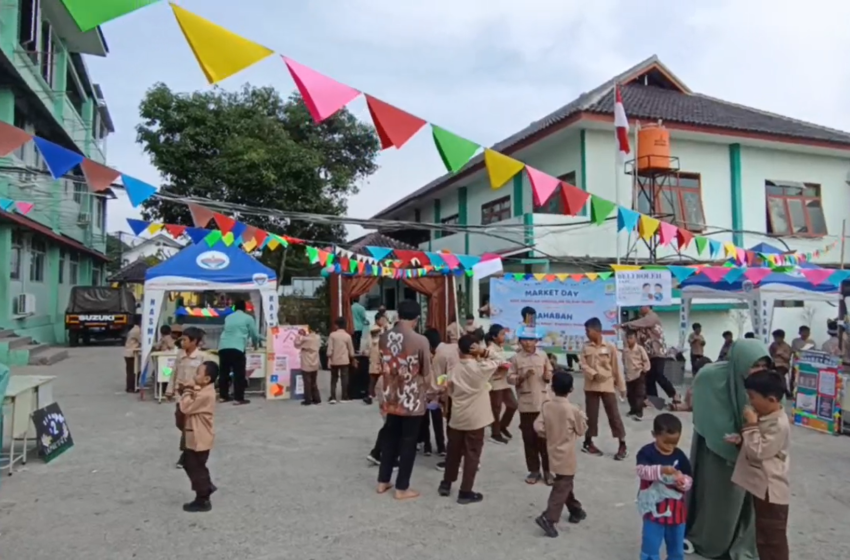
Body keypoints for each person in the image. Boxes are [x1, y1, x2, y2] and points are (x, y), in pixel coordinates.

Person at [686, 339, 770, 559]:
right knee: (719, 498)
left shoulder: (760, 383)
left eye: (763, 365)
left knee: (745, 499)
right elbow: (708, 416)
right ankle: (711, 541)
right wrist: (731, 441)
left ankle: (739, 542)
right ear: (740, 361)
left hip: (748, 447)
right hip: (716, 450)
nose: (759, 371)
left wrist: (750, 440)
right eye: (754, 365)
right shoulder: (710, 377)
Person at [728, 370, 791, 560]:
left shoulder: (778, 424)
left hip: (772, 490)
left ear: (771, 399)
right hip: (763, 487)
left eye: (752, 397)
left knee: (772, 539)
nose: (750, 402)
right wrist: (741, 441)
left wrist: (751, 425)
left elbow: (759, 452)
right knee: (764, 535)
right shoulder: (768, 417)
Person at [376, 299, 433, 500]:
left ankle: (383, 481)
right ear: (417, 319)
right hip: (411, 398)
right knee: (408, 442)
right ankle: (402, 487)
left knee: (390, 437)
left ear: (398, 315)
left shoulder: (383, 337)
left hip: (390, 394)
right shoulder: (420, 340)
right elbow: (426, 370)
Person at [438, 334, 499, 504]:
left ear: (459, 350)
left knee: (453, 451)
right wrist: (484, 352)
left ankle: (446, 483)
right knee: (472, 454)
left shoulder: (453, 370)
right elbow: (500, 359)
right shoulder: (481, 368)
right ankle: (465, 491)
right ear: (475, 349)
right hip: (476, 418)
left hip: (458, 415)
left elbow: (449, 391)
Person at [533, 371, 588, 538]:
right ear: (571, 389)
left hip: (551, 449)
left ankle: (575, 509)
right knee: (563, 484)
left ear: (552, 387)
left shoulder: (547, 405)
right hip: (566, 452)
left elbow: (537, 426)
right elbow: (581, 429)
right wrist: (582, 417)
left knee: (564, 481)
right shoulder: (573, 409)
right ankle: (549, 517)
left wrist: (547, 433)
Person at [636, 413, 693, 560]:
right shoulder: (647, 452)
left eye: (674, 442)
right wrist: (661, 470)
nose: (670, 446)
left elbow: (689, 477)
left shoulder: (679, 456)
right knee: (651, 543)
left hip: (676, 511)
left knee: (676, 546)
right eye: (666, 442)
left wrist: (683, 483)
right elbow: (641, 471)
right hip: (653, 510)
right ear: (654, 435)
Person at [507, 325, 553, 485]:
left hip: (543, 404)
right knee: (529, 439)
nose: (528, 343)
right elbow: (510, 378)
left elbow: (549, 373)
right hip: (526, 405)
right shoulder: (515, 359)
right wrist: (522, 377)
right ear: (520, 341)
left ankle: (548, 471)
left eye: (531, 339)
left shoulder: (543, 356)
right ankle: (534, 470)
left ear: (536, 341)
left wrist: (548, 375)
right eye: (525, 340)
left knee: (545, 440)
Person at [580, 317, 628, 459]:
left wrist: (622, 386)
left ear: (597, 331)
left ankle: (622, 444)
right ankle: (588, 442)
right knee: (591, 416)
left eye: (588, 330)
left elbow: (616, 368)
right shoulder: (585, 347)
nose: (586, 333)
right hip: (591, 385)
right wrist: (593, 374)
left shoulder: (610, 347)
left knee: (614, 415)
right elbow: (582, 364)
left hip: (607, 386)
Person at [179, 360, 219, 512]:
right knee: (191, 463)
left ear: (207, 379)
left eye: (198, 373)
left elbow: (186, 407)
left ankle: (203, 498)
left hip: (199, 437)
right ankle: (206, 487)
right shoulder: (203, 389)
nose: (195, 376)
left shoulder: (206, 394)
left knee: (196, 467)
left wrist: (187, 390)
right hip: (195, 435)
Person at [618, 307, 678, 406]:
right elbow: (633, 338)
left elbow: (640, 322)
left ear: (648, 306)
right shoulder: (640, 324)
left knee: (658, 374)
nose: (640, 308)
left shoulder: (652, 317)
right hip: (649, 354)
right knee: (649, 377)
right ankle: (654, 400)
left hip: (658, 352)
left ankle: (674, 394)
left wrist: (625, 324)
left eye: (642, 306)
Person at [168, 327, 208, 469]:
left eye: (185, 339)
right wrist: (169, 390)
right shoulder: (180, 355)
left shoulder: (202, 357)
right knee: (180, 422)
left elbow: (206, 379)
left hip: (194, 397)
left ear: (194, 341)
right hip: (180, 396)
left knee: (188, 426)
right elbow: (174, 373)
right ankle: (191, 450)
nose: (182, 342)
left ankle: (185, 456)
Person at [217, 299, 261, 405]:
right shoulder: (248, 318)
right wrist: (256, 344)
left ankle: (223, 396)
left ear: (234, 308)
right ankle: (238, 398)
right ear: (245, 308)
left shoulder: (228, 317)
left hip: (223, 347)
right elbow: (255, 334)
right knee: (239, 374)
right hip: (237, 347)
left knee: (223, 373)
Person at [432, 325, 459, 471]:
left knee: (453, 426)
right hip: (468, 391)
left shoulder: (438, 355)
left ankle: (453, 460)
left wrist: (436, 396)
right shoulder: (455, 347)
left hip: (453, 394)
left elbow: (438, 381)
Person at [486, 324, 517, 444]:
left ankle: (502, 426)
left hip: (503, 382)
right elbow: (492, 366)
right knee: (496, 409)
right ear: (494, 337)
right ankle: (495, 433)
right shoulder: (490, 350)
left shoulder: (500, 348)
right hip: (495, 383)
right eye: (502, 334)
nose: (504, 336)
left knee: (513, 405)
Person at [419, 328, 446, 457]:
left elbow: (441, 376)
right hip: (426, 392)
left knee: (436, 420)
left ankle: (440, 446)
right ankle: (428, 445)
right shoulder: (425, 355)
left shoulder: (439, 356)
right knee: (426, 421)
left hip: (433, 393)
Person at [327, 317, 356, 404]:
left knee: (334, 379)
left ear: (336, 325)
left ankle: (333, 397)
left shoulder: (332, 335)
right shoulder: (347, 336)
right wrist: (352, 358)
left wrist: (329, 358)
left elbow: (330, 349)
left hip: (334, 360)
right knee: (344, 379)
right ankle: (344, 396)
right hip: (344, 360)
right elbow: (351, 350)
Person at [623, 329, 651, 420]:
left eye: (631, 338)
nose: (629, 340)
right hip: (629, 376)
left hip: (639, 374)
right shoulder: (625, 350)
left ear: (635, 338)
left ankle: (639, 413)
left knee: (639, 394)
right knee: (630, 395)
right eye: (627, 338)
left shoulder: (640, 349)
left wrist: (644, 370)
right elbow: (624, 361)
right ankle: (633, 410)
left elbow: (646, 361)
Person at [295, 328, 321, 406]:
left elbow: (296, 344)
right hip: (315, 362)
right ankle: (317, 399)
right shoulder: (318, 338)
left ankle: (308, 400)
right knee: (314, 382)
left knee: (307, 382)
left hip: (306, 363)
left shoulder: (305, 339)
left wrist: (299, 336)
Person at [123, 314, 142, 393]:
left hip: (129, 353)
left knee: (131, 371)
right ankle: (131, 387)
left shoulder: (135, 329)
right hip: (131, 353)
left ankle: (132, 386)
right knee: (133, 371)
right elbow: (142, 340)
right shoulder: (137, 330)